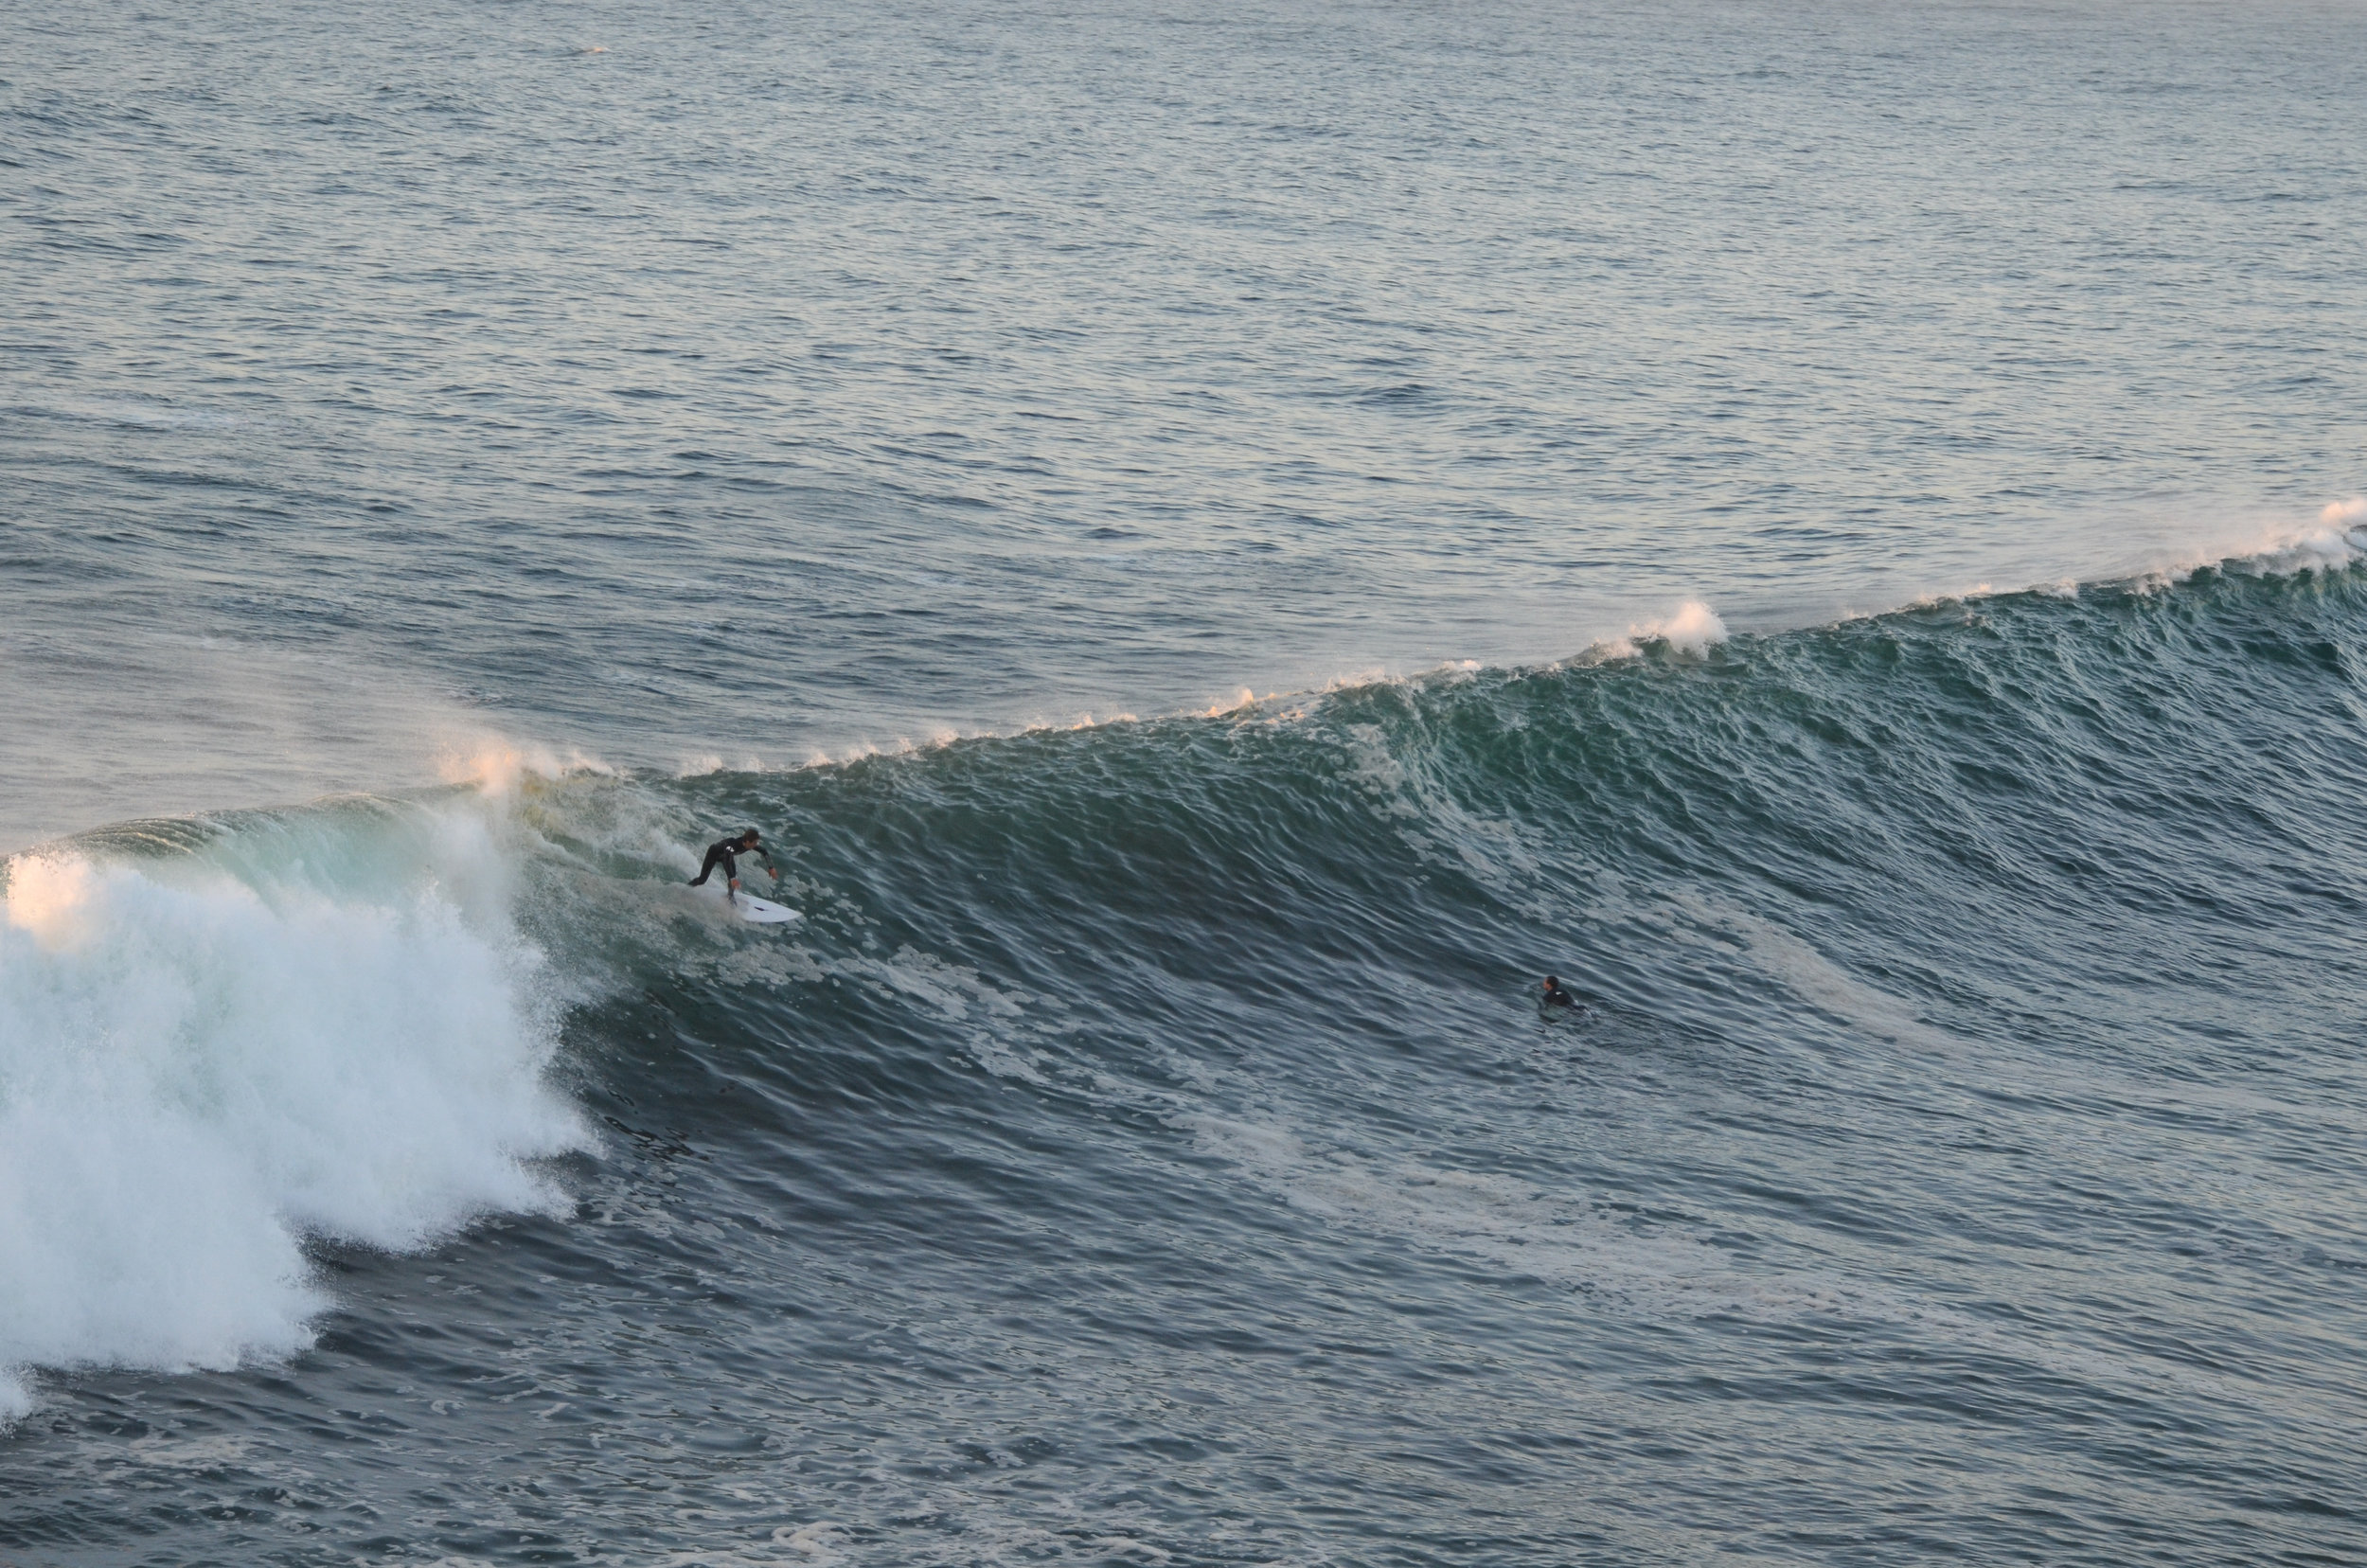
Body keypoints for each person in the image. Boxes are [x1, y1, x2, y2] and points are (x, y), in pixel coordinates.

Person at [689, 829, 779, 904]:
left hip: (727, 857)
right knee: (702, 880)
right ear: (748, 841)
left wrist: (771, 868)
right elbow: (726, 861)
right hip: (713, 854)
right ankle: (687, 888)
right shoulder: (732, 845)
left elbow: (764, 851)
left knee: (733, 875)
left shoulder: (749, 844)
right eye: (755, 843)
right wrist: (732, 879)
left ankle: (730, 897)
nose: (756, 845)